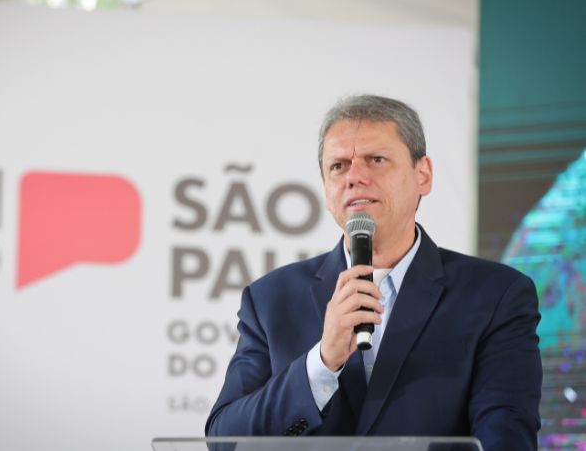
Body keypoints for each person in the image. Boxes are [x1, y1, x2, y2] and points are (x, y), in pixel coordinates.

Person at [205, 95, 542, 450]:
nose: (354, 177)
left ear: (423, 174)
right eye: (338, 166)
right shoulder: (270, 299)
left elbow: (506, 438)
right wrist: (321, 363)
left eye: (376, 160)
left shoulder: (496, 296)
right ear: (325, 187)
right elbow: (225, 442)